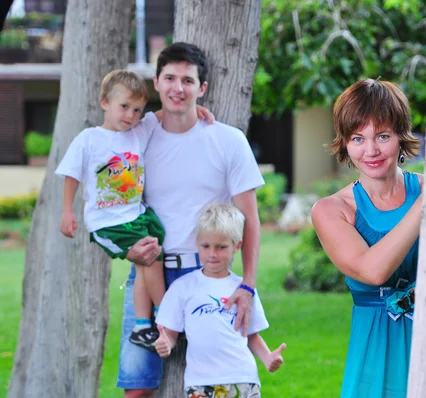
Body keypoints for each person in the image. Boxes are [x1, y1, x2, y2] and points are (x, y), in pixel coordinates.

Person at [117, 42, 264, 398]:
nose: (177, 88)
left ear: (203, 89)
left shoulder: (228, 140)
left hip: (209, 275)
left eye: (187, 80)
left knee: (216, 381)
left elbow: (250, 219)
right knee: (137, 386)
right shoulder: (138, 136)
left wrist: (246, 285)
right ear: (156, 82)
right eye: (169, 78)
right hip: (149, 271)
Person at [311, 79, 422, 397]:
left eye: (383, 136)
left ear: (400, 136)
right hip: (375, 350)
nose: (371, 150)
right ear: (344, 143)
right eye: (358, 138)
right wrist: (425, 204)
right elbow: (373, 271)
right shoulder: (332, 210)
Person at [55, 70, 168, 352]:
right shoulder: (89, 139)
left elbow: (165, 113)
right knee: (151, 260)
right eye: (124, 107)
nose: (131, 115)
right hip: (108, 223)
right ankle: (168, 318)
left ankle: (143, 325)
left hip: (137, 215)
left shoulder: (138, 133)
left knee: (150, 260)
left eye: (138, 110)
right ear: (105, 102)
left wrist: (199, 109)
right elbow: (71, 175)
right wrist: (67, 211)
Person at [155, 203, 286, 398]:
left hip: (242, 379)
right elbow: (171, 334)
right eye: (206, 246)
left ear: (237, 246)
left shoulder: (244, 291)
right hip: (200, 383)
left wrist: (267, 358)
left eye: (221, 247)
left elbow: (251, 335)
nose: (212, 254)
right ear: (197, 243)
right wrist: (166, 342)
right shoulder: (183, 288)